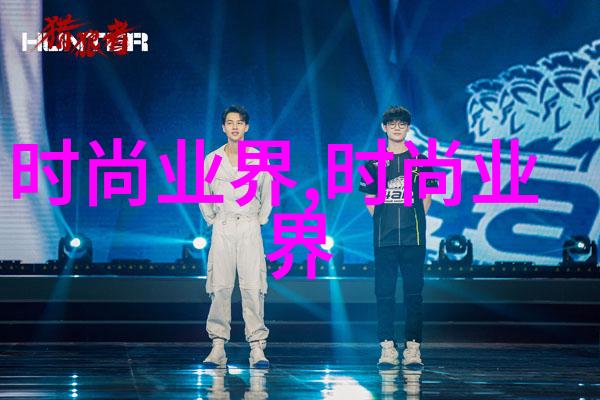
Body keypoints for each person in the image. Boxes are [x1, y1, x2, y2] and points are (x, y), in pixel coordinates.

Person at [358, 106, 436, 368]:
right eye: (392, 123)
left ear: (408, 128)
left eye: (402, 123)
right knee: (384, 294)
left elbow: (426, 198)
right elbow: (370, 199)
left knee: (414, 294)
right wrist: (384, 220)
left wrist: (413, 221)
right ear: (384, 127)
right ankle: (387, 348)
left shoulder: (421, 161)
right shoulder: (372, 163)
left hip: (414, 238)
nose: (397, 128)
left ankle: (413, 348)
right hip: (385, 239)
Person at [199, 105, 272, 368]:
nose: (234, 127)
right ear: (223, 127)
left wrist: (258, 221)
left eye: (239, 123)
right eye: (230, 123)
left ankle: (257, 347)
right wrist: (215, 220)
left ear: (246, 127)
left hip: (249, 226)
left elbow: (267, 196)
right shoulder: (212, 159)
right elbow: (205, 194)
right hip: (224, 225)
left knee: (253, 287)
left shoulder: (258, 159)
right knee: (220, 287)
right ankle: (218, 346)